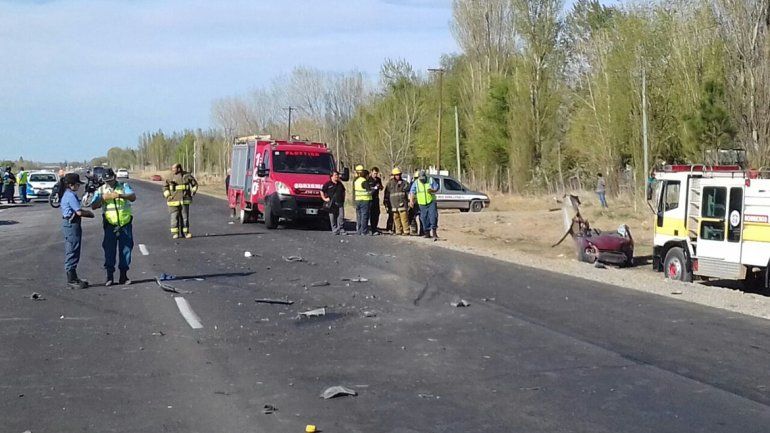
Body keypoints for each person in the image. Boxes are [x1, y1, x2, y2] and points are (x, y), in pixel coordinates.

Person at [91, 168, 136, 286]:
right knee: (109, 250)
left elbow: (132, 197)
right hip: (110, 225)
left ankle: (123, 275)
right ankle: (109, 276)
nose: (109, 183)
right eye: (106, 181)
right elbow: (93, 206)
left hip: (125, 223)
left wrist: (121, 195)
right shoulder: (100, 190)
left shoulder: (123, 185)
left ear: (115, 177)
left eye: (110, 180)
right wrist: (102, 199)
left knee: (126, 249)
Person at [60, 173, 94, 289]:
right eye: (77, 184)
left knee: (74, 249)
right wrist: (89, 213)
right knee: (72, 250)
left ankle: (74, 277)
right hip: (71, 224)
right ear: (71, 185)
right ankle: (71, 279)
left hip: (71, 224)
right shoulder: (70, 195)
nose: (78, 186)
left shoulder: (68, 194)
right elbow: (79, 212)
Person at [164, 163, 198, 239]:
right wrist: (168, 196)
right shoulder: (169, 177)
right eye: (172, 168)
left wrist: (193, 191)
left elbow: (195, 184)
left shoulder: (186, 176)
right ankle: (175, 233)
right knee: (174, 217)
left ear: (179, 169)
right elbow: (165, 187)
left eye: (174, 168)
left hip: (184, 200)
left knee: (185, 217)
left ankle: (185, 233)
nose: (172, 170)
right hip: (173, 201)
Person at [410, 170, 440, 239]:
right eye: (421, 179)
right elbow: (412, 192)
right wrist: (411, 201)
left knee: (433, 217)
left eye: (423, 179)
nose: (422, 180)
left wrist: (432, 190)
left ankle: (434, 233)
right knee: (424, 218)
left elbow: (436, 188)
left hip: (431, 202)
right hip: (422, 204)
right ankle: (427, 233)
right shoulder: (416, 183)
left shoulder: (431, 180)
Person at [385, 168, 410, 236]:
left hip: (402, 204)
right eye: (396, 175)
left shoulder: (404, 183)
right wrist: (386, 204)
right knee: (396, 218)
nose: (398, 176)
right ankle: (398, 230)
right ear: (393, 175)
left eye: (399, 175)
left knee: (404, 218)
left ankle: (406, 231)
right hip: (393, 205)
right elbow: (386, 194)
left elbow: (408, 189)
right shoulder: (389, 184)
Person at [321, 170, 346, 235]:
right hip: (331, 204)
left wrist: (343, 199)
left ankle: (341, 229)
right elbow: (322, 191)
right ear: (331, 176)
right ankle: (334, 230)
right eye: (335, 175)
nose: (336, 176)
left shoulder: (340, 184)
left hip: (340, 203)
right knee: (332, 217)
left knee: (341, 216)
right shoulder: (328, 184)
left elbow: (343, 191)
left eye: (337, 175)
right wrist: (324, 198)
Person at [353, 165, 372, 235]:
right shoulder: (364, 181)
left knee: (359, 216)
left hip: (357, 200)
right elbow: (368, 191)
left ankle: (359, 230)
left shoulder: (356, 181)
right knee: (364, 216)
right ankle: (364, 231)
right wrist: (374, 188)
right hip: (364, 200)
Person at [368, 167, 383, 235]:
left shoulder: (378, 179)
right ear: (371, 172)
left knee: (377, 213)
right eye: (374, 173)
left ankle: (375, 227)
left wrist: (379, 186)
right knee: (371, 213)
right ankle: (371, 228)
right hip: (370, 198)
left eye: (376, 173)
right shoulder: (368, 179)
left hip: (376, 198)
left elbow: (381, 188)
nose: (375, 175)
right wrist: (374, 187)